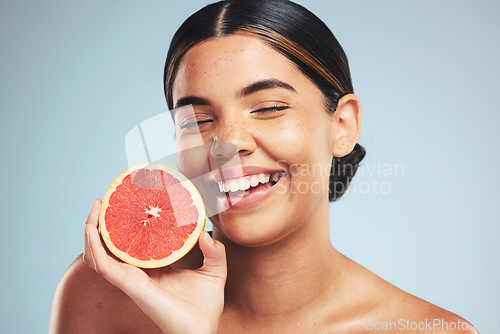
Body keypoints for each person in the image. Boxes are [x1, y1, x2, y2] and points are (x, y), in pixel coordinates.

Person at [50, 0, 478, 333]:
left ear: (342, 126)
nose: (226, 144)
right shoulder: (104, 295)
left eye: (269, 107)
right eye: (196, 121)